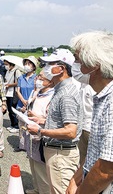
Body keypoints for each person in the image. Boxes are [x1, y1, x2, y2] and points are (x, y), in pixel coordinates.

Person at [27, 48, 82, 194]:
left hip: (61, 155)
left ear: (61, 69)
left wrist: (40, 130)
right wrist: (43, 120)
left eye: (49, 64)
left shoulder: (66, 94)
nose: (45, 69)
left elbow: (70, 131)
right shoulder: (61, 89)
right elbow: (63, 121)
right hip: (57, 152)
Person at [67, 31, 113, 194]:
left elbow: (106, 170)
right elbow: (96, 151)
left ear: (94, 65)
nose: (75, 65)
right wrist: (76, 178)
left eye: (77, 59)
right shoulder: (102, 96)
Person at [24, 71, 54, 194]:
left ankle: (44, 191)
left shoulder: (52, 96)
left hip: (42, 135)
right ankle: (36, 189)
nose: (38, 79)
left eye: (42, 77)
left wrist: (35, 116)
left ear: (51, 81)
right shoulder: (38, 92)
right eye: (38, 76)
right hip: (31, 134)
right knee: (33, 165)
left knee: (42, 171)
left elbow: (52, 121)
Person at [16, 56, 38, 151]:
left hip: (32, 105)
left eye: (29, 64)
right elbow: (18, 91)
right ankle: (22, 145)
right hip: (21, 104)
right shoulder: (21, 77)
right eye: (26, 63)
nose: (26, 66)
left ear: (34, 67)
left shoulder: (36, 78)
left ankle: (30, 147)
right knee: (21, 125)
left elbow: (36, 91)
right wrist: (23, 102)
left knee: (30, 125)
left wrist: (28, 103)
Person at [4, 58, 22, 133]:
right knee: (9, 110)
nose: (5, 66)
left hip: (13, 93)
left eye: (6, 64)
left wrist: (9, 85)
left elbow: (19, 82)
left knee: (13, 110)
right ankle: (12, 124)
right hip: (7, 92)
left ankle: (16, 125)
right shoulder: (8, 71)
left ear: (11, 64)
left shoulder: (16, 71)